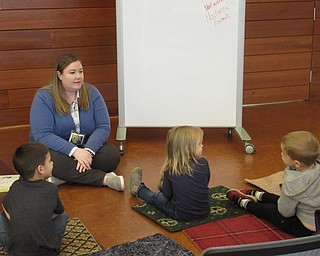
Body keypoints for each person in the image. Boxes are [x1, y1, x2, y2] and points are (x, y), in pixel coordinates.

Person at [29, 53, 123, 191]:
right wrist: (74, 151)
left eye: (80, 71)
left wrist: (88, 151)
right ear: (59, 75)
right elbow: (42, 135)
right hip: (54, 147)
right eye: (72, 72)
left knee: (111, 157)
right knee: (55, 163)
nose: (78, 76)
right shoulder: (43, 97)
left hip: (84, 144)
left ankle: (62, 177)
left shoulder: (92, 92)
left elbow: (103, 127)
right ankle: (104, 179)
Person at [227, 131, 320, 237]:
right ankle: (261, 196)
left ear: (297, 163)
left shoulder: (293, 184)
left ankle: (245, 203)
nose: (281, 154)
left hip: (307, 229)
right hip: (313, 215)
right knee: (283, 200)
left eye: (284, 153)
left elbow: (285, 213)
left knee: (271, 211)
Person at [130, 126, 211, 221]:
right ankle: (166, 184)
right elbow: (206, 182)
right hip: (204, 212)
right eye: (199, 144)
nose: (202, 145)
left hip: (180, 214)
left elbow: (166, 195)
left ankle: (137, 188)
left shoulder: (171, 169)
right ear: (187, 148)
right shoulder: (203, 162)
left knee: (157, 197)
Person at [0, 142, 68, 255]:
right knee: (63, 216)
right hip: (48, 252)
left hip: (15, 252)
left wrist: (19, 220)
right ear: (40, 169)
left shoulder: (16, 185)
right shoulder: (51, 189)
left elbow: (5, 205)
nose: (52, 163)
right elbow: (59, 211)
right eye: (50, 161)